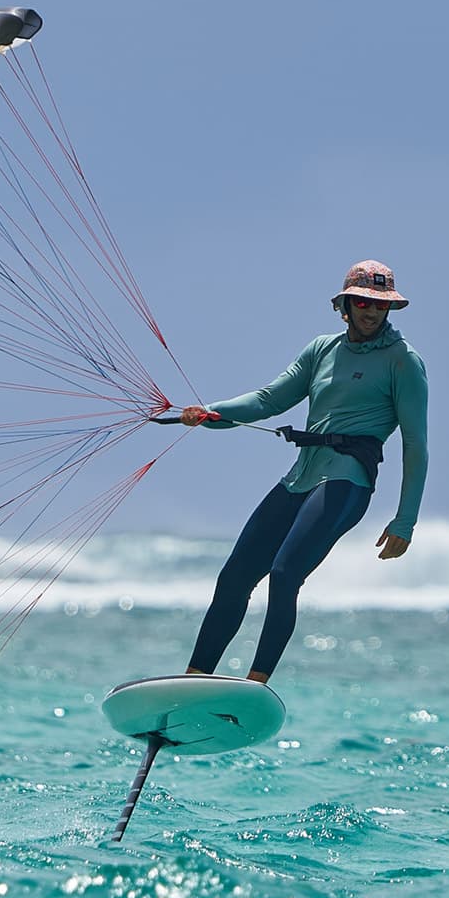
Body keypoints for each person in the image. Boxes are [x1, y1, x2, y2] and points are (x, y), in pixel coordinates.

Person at [178, 260, 429, 682]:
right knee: (234, 577)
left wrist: (405, 519)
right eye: (363, 302)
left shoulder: (403, 362)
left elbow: (415, 445)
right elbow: (268, 400)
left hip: (348, 480)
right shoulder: (321, 351)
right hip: (301, 478)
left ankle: (255, 685)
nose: (371, 312)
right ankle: (192, 680)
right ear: (344, 305)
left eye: (380, 306)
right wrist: (211, 412)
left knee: (284, 573)